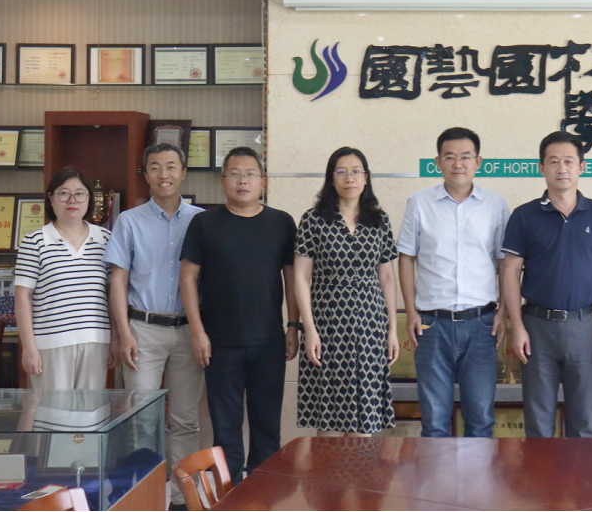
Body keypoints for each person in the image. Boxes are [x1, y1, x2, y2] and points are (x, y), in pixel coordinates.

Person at [179, 146, 298, 481]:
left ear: (262, 181)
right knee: (226, 434)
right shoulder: (204, 223)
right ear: (223, 180)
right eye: (234, 174)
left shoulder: (281, 222)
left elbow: (292, 278)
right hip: (220, 344)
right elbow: (187, 279)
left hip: (269, 343)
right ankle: (228, 499)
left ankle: (264, 497)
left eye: (249, 174)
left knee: (267, 432)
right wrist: (198, 332)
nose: (242, 181)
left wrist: (293, 326)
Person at [501, 131, 592, 438]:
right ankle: (540, 472)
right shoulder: (524, 215)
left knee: (584, 421)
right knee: (538, 422)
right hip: (536, 327)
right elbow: (510, 272)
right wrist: (517, 327)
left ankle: (582, 472)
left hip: (584, 326)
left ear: (582, 167)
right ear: (541, 167)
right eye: (554, 162)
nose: (562, 168)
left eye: (569, 161)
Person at [105, 142, 205, 508]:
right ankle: (148, 498)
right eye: (155, 167)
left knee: (185, 420)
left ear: (183, 173)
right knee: (143, 420)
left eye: (171, 166)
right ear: (145, 174)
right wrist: (124, 333)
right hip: (142, 331)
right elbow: (118, 281)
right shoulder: (129, 221)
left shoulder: (201, 220)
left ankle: (182, 497)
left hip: (188, 330)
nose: (164, 174)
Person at [398, 127, 511, 437]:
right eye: (449, 157)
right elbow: (406, 258)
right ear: (437, 162)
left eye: (465, 156)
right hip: (432, 325)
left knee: (481, 419)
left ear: (478, 162)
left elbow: (504, 262)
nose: (457, 164)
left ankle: (478, 473)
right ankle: (437, 473)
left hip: (482, 324)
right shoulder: (419, 202)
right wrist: (411, 311)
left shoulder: (495, 204)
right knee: (434, 422)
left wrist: (503, 310)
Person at [293, 147, 399, 435]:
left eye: (356, 172)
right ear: (331, 178)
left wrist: (392, 330)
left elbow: (387, 278)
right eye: (341, 172)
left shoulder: (379, 220)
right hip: (327, 328)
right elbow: (301, 277)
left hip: (370, 329)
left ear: (366, 178)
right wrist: (309, 330)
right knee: (329, 426)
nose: (349, 178)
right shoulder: (313, 220)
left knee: (365, 427)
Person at [14, 166, 113, 389]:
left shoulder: (105, 239)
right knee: (51, 409)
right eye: (63, 193)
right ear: (51, 198)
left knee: (92, 409)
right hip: (50, 343)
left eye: (80, 193)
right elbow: (22, 296)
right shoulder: (35, 241)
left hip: (96, 341)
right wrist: (29, 348)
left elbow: (112, 295)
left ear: (89, 199)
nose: (72, 200)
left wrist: (115, 338)